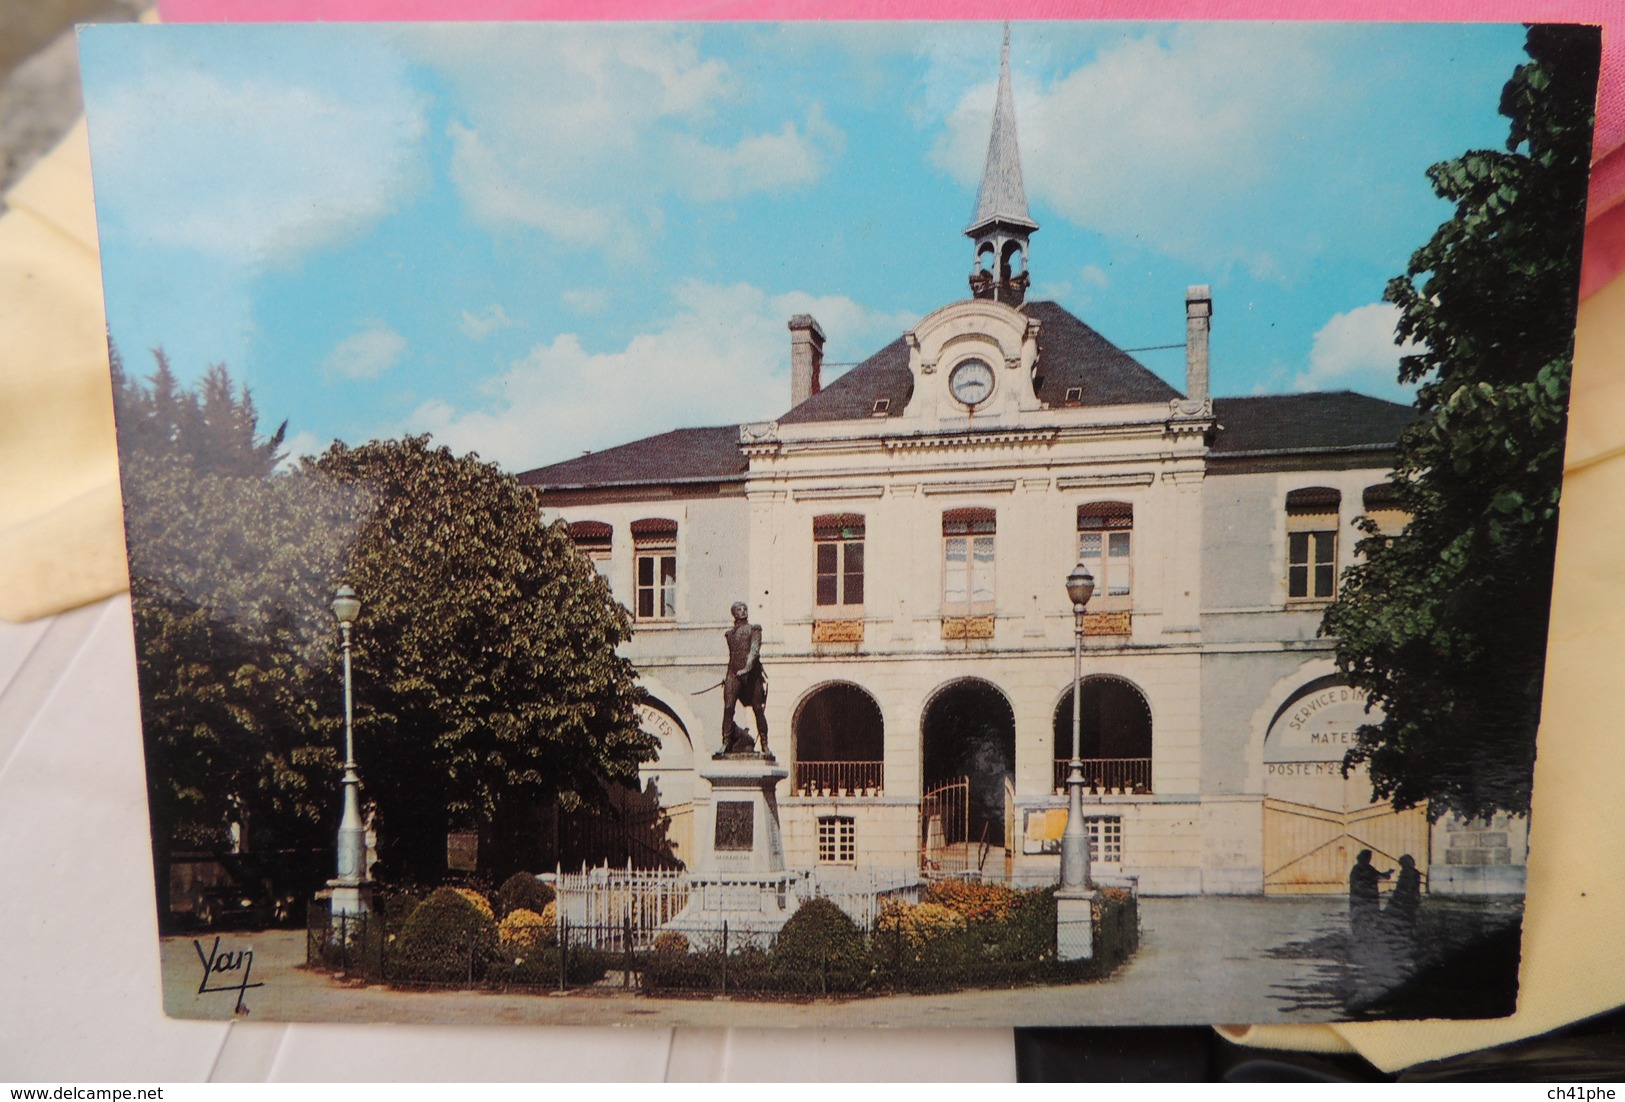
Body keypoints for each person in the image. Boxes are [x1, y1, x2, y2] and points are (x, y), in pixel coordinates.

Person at [720, 601, 769, 755]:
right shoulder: (729, 634)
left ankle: (764, 744)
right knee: (728, 708)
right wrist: (727, 677)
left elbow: (754, 651)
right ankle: (726, 742)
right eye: (739, 610)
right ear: (733, 613)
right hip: (733, 673)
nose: (743, 612)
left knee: (758, 709)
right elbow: (732, 657)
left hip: (751, 674)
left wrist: (746, 669)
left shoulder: (754, 629)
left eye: (745, 609)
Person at [1348, 848, 1391, 935]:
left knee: (1361, 919)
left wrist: (1386, 874)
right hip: (1366, 897)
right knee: (1366, 918)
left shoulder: (1359, 868)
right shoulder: (1363, 868)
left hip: (1360, 897)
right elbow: (1378, 876)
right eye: (1369, 857)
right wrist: (1386, 874)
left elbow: (1378, 875)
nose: (1370, 859)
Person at [1387, 853, 1422, 926]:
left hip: (1406, 897)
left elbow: (1406, 886)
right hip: (1410, 897)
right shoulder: (1413, 872)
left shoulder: (1408, 873)